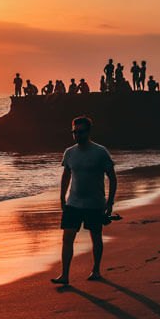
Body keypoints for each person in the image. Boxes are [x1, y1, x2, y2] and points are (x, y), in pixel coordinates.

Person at [51, 117, 117, 285]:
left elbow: (112, 177)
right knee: (67, 238)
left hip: (95, 203)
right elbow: (66, 176)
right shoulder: (69, 152)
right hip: (73, 203)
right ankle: (64, 275)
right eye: (74, 132)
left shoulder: (100, 152)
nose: (77, 135)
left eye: (80, 132)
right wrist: (61, 198)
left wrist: (110, 202)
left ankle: (96, 270)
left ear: (88, 132)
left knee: (96, 237)